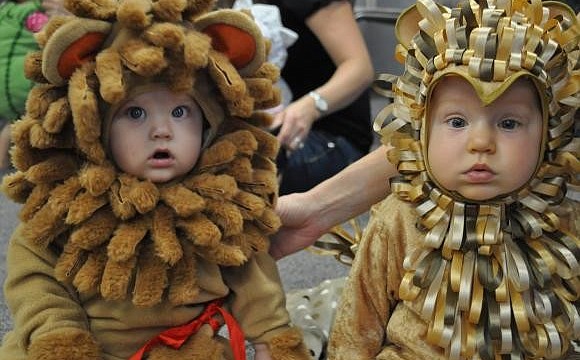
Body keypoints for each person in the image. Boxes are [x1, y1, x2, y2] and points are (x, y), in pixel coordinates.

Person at [0, 1, 312, 359]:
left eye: (180, 112)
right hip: (85, 344)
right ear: (94, 129)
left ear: (208, 127)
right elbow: (34, 276)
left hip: (181, 349)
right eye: (135, 113)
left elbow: (255, 286)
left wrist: (273, 338)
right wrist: (60, 335)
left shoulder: (222, 210)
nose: (162, 131)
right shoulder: (66, 205)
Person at [325, 0, 579, 358]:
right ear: (422, 129)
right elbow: (358, 321)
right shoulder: (400, 214)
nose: (481, 144)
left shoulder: (559, 215)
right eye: (457, 122)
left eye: (509, 123)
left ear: (549, 135)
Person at [265, 0, 375, 195]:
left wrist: (310, 106)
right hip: (275, 123)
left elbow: (360, 68)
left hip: (329, 135)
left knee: (226, 168)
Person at [0, 0, 66, 171]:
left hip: (5, 93)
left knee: (17, 120)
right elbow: (52, 33)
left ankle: (8, 140)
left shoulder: (6, 12)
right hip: (25, 84)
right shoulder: (33, 13)